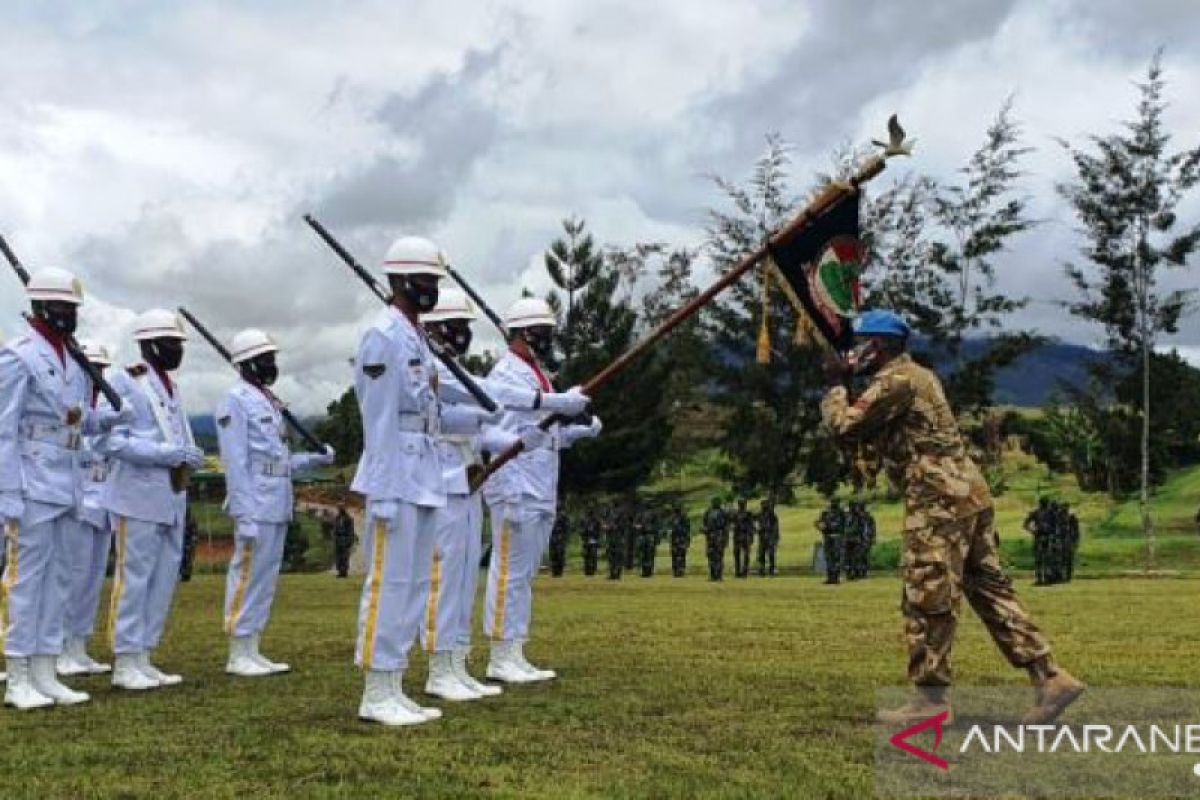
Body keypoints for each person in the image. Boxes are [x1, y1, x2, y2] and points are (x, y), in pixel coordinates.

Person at [822, 308, 1082, 725]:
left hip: (937, 499)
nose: (853, 353)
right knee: (989, 589)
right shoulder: (916, 375)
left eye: (859, 345)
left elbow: (845, 427)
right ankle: (1049, 676)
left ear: (878, 346)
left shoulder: (896, 380)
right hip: (966, 492)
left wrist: (836, 385)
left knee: (928, 594)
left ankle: (930, 701)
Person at [1, 270, 128, 709]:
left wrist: (108, 418)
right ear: (40, 308)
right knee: (25, 579)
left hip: (68, 480)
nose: (70, 315)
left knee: (59, 579)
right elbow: (4, 429)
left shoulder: (72, 360)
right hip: (32, 480)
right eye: (62, 307)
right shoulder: (19, 357)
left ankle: (45, 668)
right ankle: (17, 672)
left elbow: (74, 420)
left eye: (73, 308)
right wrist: (7, 491)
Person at [350, 236, 454, 726]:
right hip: (397, 475)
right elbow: (379, 419)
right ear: (399, 281)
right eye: (426, 280)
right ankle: (375, 690)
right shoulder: (383, 335)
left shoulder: (415, 336)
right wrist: (384, 489)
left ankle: (394, 682)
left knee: (413, 584)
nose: (432, 288)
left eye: (435, 281)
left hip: (424, 471)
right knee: (389, 582)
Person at [480, 297, 598, 684]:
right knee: (509, 571)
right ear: (524, 333)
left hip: (540, 481)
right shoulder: (507, 373)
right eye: (543, 333)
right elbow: (507, 413)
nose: (549, 339)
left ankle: (515, 648)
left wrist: (573, 432)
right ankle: (500, 653)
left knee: (524, 572)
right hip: (514, 483)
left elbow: (539, 434)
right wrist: (557, 403)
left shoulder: (536, 373)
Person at [215, 328, 335, 678]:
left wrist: (313, 459)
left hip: (277, 499)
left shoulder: (267, 401)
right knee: (247, 574)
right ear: (248, 363)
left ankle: (253, 646)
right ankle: (237, 651)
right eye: (266, 358)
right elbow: (236, 462)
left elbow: (278, 461)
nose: (272, 364)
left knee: (264, 578)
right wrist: (243, 512)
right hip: (255, 501)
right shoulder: (234, 400)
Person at [100, 309, 204, 692]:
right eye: (171, 343)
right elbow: (111, 441)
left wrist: (186, 454)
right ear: (149, 344)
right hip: (137, 495)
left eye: (179, 344)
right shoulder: (124, 381)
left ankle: (144, 654)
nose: (178, 350)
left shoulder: (170, 386)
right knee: (134, 579)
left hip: (170, 496)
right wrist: (168, 454)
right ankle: (125, 660)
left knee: (162, 580)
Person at [58, 342, 117, 678]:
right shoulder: (72, 408)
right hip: (78, 500)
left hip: (104, 501)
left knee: (92, 580)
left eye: (101, 369)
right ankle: (62, 647)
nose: (97, 376)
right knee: (71, 577)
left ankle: (78, 646)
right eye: (92, 368)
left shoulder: (104, 413)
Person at [1023, 498, 1053, 585]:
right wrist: (1033, 531)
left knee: (1047, 558)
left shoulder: (1050, 513)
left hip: (1048, 537)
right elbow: (1025, 524)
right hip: (1039, 537)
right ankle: (1040, 578)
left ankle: (1046, 578)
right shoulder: (1036, 513)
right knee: (1039, 559)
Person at [815, 499, 845, 585]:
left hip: (837, 537)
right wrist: (819, 525)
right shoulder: (825, 513)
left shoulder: (840, 514)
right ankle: (830, 577)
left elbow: (838, 525)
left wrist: (826, 526)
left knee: (836, 557)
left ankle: (835, 577)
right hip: (827, 537)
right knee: (829, 558)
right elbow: (820, 522)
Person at [702, 498, 728, 582]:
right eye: (714, 502)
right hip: (710, 537)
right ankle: (713, 575)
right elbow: (705, 523)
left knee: (719, 557)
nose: (715, 503)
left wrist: (725, 539)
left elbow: (725, 527)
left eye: (717, 502)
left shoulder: (723, 513)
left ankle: (719, 575)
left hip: (719, 536)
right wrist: (705, 530)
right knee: (711, 556)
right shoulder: (708, 512)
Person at [732, 499, 755, 579]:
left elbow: (751, 526)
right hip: (738, 536)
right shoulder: (735, 514)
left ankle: (744, 571)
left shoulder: (748, 514)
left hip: (745, 535)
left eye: (742, 504)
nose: (741, 505)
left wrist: (751, 536)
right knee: (737, 555)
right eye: (740, 504)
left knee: (746, 555)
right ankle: (737, 571)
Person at [756, 498, 779, 577]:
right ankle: (761, 570)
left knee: (771, 555)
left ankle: (771, 570)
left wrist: (775, 537)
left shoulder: (772, 515)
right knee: (761, 554)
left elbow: (776, 527)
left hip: (770, 536)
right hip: (763, 536)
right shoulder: (760, 514)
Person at [333, 506, 356, 578]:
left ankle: (344, 572)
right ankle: (340, 571)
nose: (340, 510)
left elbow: (351, 531)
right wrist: (335, 538)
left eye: (341, 509)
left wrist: (349, 541)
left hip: (345, 539)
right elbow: (335, 529)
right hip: (338, 539)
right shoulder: (337, 518)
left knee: (345, 557)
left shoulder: (349, 519)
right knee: (338, 557)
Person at [669, 505, 691, 578]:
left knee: (679, 555)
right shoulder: (675, 518)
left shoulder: (681, 518)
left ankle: (678, 570)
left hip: (679, 539)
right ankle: (677, 570)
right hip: (678, 539)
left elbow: (687, 530)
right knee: (678, 554)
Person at [637, 507, 658, 578]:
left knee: (648, 554)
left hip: (649, 535)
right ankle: (645, 571)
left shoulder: (653, 514)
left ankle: (648, 571)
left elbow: (656, 526)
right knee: (644, 554)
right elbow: (636, 523)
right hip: (644, 535)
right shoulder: (640, 514)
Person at [580, 508, 602, 577]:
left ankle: (592, 570)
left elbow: (599, 531)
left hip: (593, 540)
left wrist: (596, 537)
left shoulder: (596, 521)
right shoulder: (585, 521)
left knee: (592, 556)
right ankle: (587, 570)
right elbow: (582, 530)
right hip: (588, 540)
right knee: (587, 556)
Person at [604, 510, 623, 581]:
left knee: (617, 558)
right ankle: (612, 574)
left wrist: (609, 527)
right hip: (612, 541)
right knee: (611, 559)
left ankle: (617, 575)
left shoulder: (620, 523)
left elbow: (616, 528)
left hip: (617, 541)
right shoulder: (612, 522)